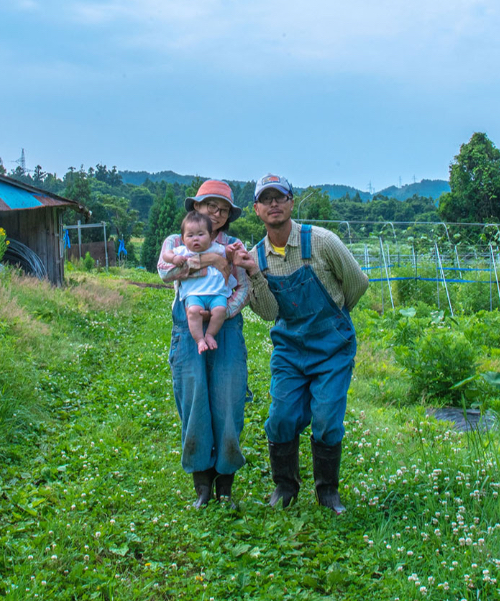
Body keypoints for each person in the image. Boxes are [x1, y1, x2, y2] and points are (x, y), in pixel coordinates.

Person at [237, 174, 370, 515]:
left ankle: (328, 492)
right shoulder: (256, 258)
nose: (274, 204)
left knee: (326, 419)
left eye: (280, 197)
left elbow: (357, 283)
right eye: (266, 199)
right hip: (290, 351)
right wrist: (255, 275)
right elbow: (269, 313)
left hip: (332, 348)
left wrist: (333, 319)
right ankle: (285, 487)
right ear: (256, 209)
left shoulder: (323, 242)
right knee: (280, 417)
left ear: (291, 202)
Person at [157, 180, 253, 508]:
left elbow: (243, 287)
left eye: (224, 209)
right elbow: (165, 273)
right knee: (193, 399)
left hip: (225, 325)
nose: (218, 213)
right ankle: (201, 485)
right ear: (196, 207)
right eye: (211, 205)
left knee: (228, 400)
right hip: (188, 327)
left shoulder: (234, 245)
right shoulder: (176, 240)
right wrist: (210, 259)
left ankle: (225, 486)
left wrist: (222, 313)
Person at [170, 211, 235, 354]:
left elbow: (226, 252)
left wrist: (229, 251)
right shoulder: (183, 251)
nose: (196, 239)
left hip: (217, 293)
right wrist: (173, 258)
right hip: (194, 294)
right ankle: (199, 340)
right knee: (193, 312)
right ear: (183, 239)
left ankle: (210, 334)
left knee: (220, 310)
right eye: (190, 236)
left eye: (201, 234)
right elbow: (166, 257)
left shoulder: (215, 247)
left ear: (210, 236)